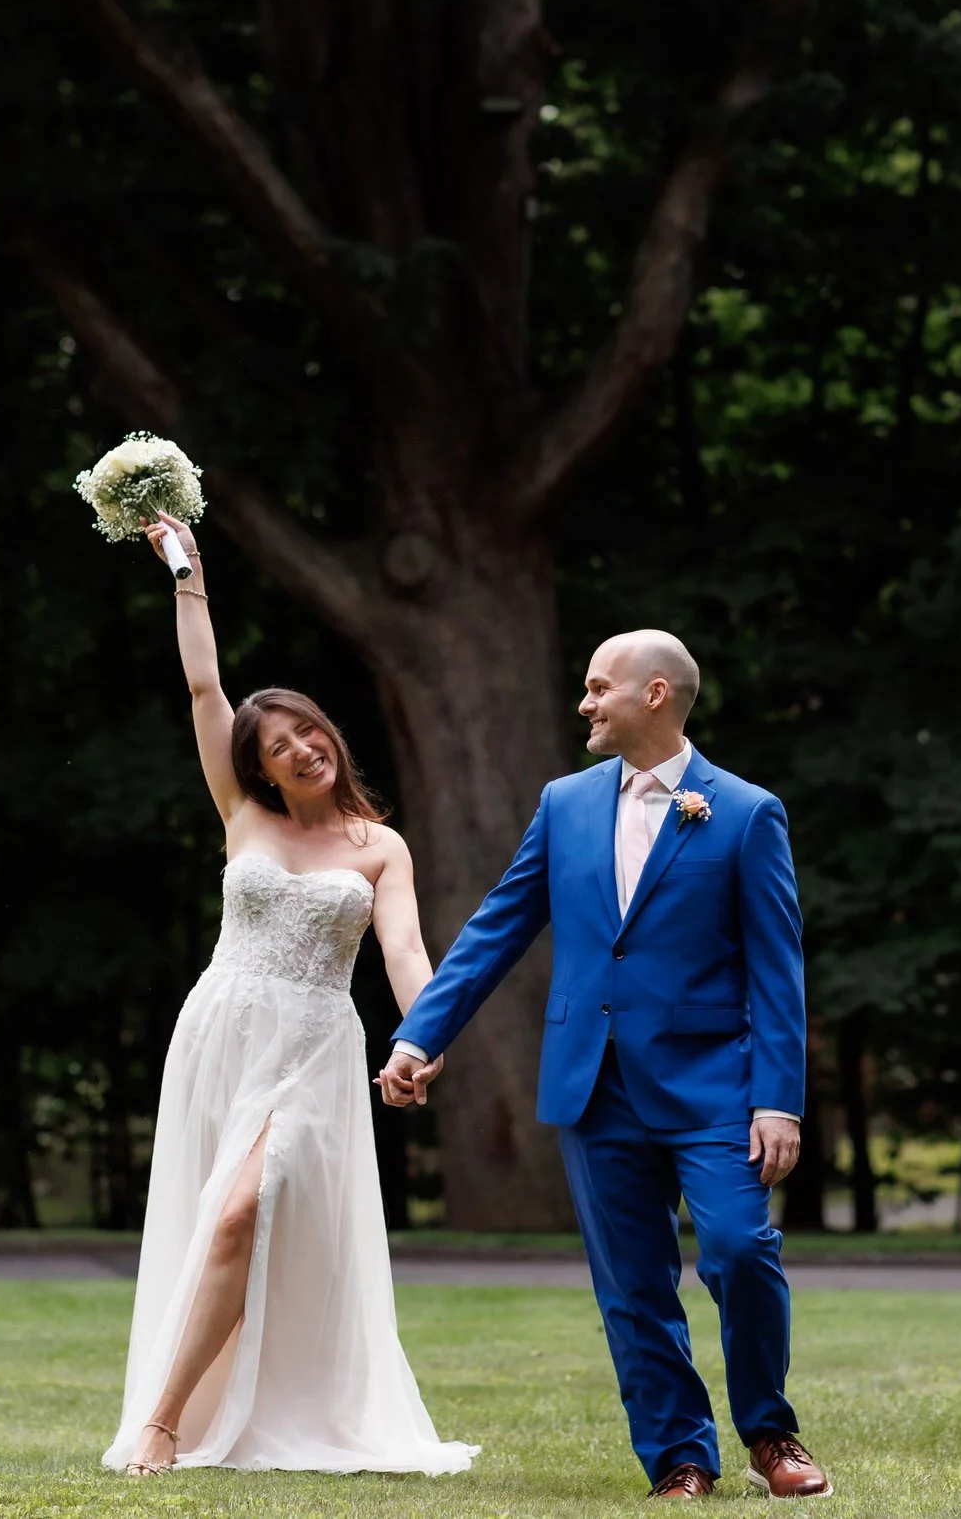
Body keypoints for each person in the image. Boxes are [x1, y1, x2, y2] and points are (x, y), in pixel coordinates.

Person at [378, 630, 830, 1500]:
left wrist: (780, 1099)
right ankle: (681, 1458)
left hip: (715, 1088)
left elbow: (779, 968)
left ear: (654, 694)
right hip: (593, 1083)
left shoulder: (743, 812)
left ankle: (771, 1431)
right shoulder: (565, 803)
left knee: (739, 1249)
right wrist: (418, 1036)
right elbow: (495, 929)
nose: (583, 703)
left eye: (597, 688)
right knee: (632, 1286)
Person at [103, 511, 475, 1478]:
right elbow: (201, 684)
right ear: (256, 763)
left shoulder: (378, 848)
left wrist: (421, 1040)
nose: (301, 747)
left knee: (241, 1211)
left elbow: (404, 951)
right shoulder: (244, 818)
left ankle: (163, 1420)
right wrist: (186, 568)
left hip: (314, 1045)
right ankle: (184, 1411)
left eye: (308, 728)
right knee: (215, 1214)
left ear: (328, 734)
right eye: (277, 743)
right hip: (223, 1028)